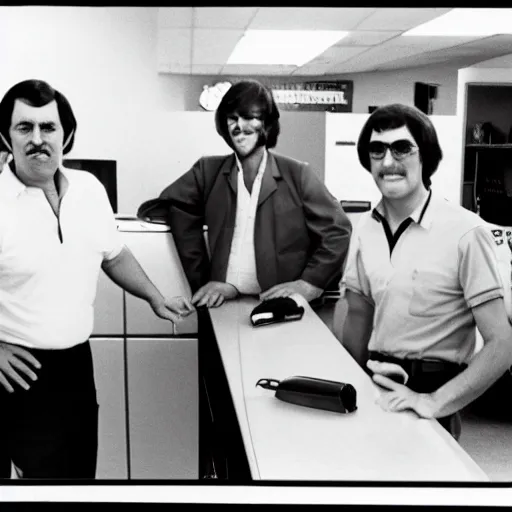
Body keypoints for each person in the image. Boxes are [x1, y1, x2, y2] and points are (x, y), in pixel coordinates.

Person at [0, 79, 194, 479]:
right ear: (6, 136)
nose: (38, 139)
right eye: (25, 127)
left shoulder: (89, 190)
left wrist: (155, 298)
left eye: (48, 127)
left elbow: (114, 253)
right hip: (18, 368)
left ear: (66, 135)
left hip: (75, 366)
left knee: (78, 476)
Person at [336, 103, 512, 440]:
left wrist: (433, 402)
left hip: (432, 389)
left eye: (402, 148)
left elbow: (502, 345)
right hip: (375, 383)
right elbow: (358, 311)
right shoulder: (365, 228)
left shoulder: (465, 232)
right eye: (377, 150)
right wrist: (349, 379)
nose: (388, 162)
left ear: (425, 156)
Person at [157, 79, 352, 312]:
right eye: (232, 118)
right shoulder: (207, 172)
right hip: (225, 306)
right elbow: (174, 207)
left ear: (267, 124)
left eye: (249, 117)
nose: (239, 126)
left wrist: (310, 283)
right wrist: (206, 279)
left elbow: (338, 230)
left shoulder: (297, 174)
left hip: (281, 309)